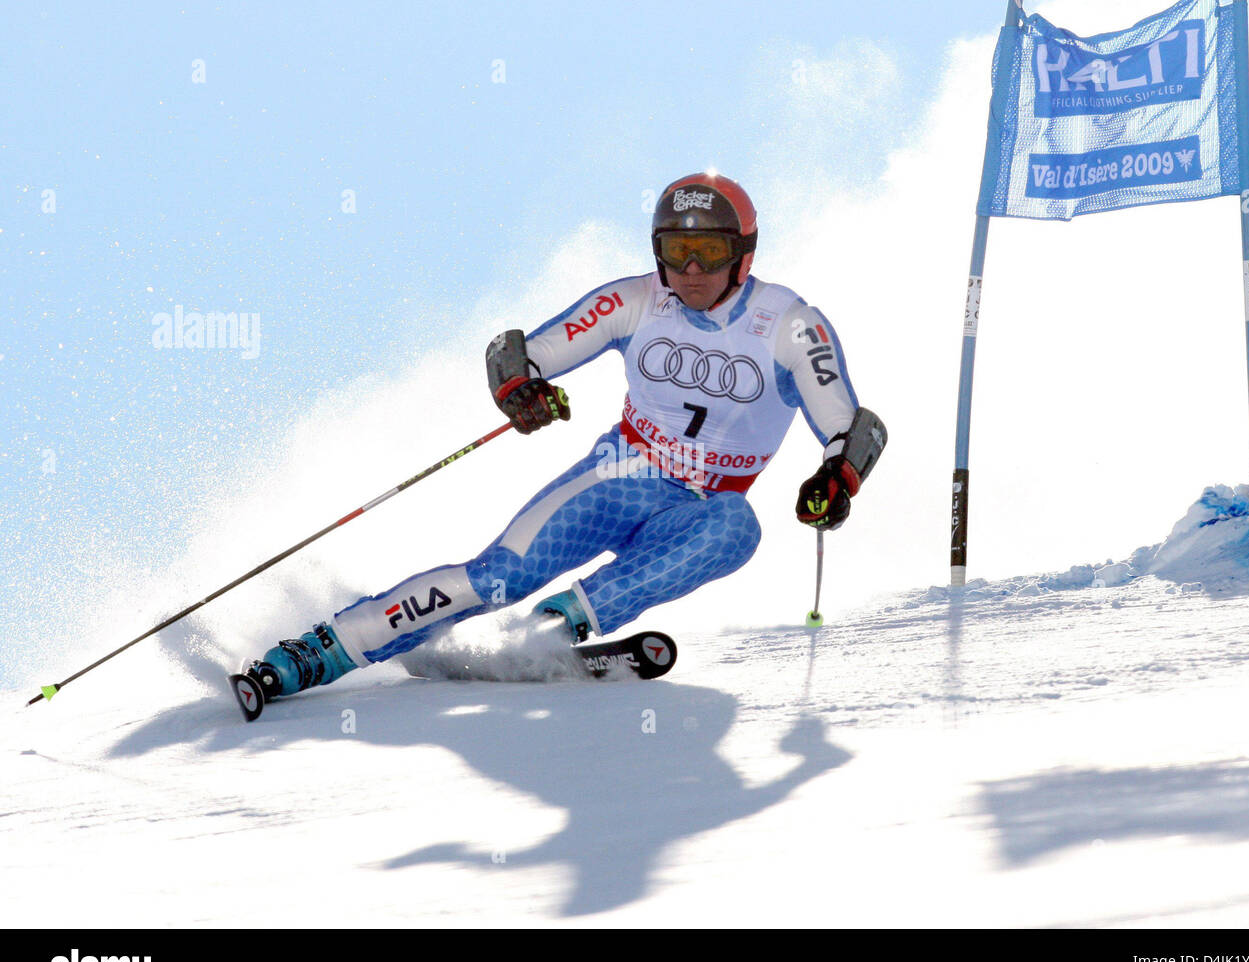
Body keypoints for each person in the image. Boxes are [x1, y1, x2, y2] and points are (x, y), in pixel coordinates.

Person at [240, 172, 886, 701]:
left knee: (738, 525)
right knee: (499, 577)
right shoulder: (637, 300)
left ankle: (557, 626)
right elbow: (519, 350)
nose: (689, 269)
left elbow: (851, 425)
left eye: (710, 252)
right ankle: (320, 650)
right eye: (673, 250)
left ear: (744, 254)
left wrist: (836, 476)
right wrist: (522, 389)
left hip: (702, 507)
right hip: (623, 474)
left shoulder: (789, 323)